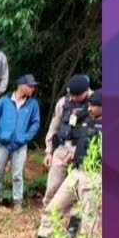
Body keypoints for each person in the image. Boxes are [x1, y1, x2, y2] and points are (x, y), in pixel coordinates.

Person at [19, 90, 102, 238]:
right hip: (77, 172)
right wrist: (75, 155)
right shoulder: (89, 122)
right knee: (52, 208)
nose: (90, 108)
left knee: (89, 221)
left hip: (94, 177)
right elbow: (84, 143)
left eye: (94, 106)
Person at [0, 74, 41, 209]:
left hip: (20, 145)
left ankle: (18, 203)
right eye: (30, 86)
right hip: (2, 142)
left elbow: (35, 123)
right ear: (21, 86)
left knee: (17, 175)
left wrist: (25, 138)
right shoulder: (4, 101)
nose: (33, 89)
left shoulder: (33, 104)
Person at [41, 74, 93, 206]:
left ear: (86, 92)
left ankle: (74, 220)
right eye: (72, 95)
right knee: (53, 185)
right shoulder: (63, 102)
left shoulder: (96, 103)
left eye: (77, 96)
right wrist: (49, 151)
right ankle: (48, 212)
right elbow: (54, 126)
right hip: (63, 147)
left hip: (84, 151)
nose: (74, 98)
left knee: (80, 187)